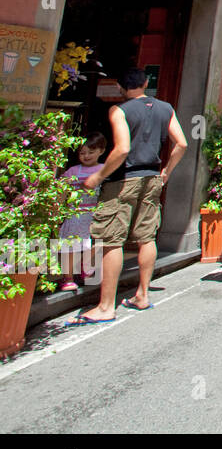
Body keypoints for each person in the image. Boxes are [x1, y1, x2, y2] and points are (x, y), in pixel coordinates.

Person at [73, 70, 188, 323]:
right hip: (151, 177)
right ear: (146, 84)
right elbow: (182, 143)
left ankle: (106, 307)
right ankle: (142, 295)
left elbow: (123, 148)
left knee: (112, 239)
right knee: (147, 236)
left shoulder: (119, 111)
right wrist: (166, 171)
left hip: (123, 180)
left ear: (119, 87)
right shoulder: (166, 108)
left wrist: (100, 175)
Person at [58, 133, 107, 291]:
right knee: (71, 247)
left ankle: (86, 270)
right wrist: (58, 209)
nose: (86, 156)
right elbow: (62, 190)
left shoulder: (104, 169)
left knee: (92, 244)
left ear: (101, 150)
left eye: (90, 152)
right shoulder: (73, 171)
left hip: (94, 213)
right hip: (75, 214)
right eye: (82, 153)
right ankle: (68, 278)